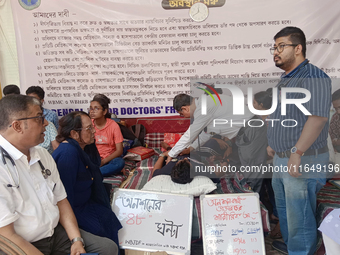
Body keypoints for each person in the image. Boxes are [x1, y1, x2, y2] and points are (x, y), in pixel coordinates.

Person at [0, 95, 117, 255]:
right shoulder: (2, 167)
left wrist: (76, 240)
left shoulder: (42, 155)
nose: (47, 123)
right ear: (17, 126)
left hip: (56, 234)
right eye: (39, 118)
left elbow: (62, 201)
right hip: (24, 244)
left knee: (107, 248)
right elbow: (6, 235)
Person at [267, 27, 332, 254]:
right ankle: (293, 246)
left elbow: (317, 118)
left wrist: (297, 152)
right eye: (274, 47)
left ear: (298, 48)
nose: (276, 51)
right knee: (286, 210)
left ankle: (302, 250)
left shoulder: (313, 77)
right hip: (283, 157)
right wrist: (273, 143)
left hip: (303, 158)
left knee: (300, 215)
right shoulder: (286, 79)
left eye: (281, 46)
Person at [52, 111, 122, 249]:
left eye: (92, 127)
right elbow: (65, 197)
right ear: (74, 134)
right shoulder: (68, 154)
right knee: (101, 229)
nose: (94, 131)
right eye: (89, 128)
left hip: (86, 203)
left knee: (110, 218)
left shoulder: (81, 147)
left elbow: (95, 164)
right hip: (75, 210)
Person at [166, 92, 253, 164]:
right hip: (246, 133)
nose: (184, 117)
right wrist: (190, 149)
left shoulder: (203, 108)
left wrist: (172, 154)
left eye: (182, 114)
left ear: (185, 109)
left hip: (251, 130)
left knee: (253, 166)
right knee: (249, 166)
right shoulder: (205, 106)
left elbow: (190, 134)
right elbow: (207, 133)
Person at [90, 94, 125, 177]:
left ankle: (93, 174)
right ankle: (96, 172)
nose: (92, 111)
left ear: (105, 111)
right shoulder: (88, 124)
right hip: (93, 158)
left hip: (109, 159)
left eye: (96, 108)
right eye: (91, 108)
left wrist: (103, 162)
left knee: (119, 163)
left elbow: (119, 150)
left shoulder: (113, 125)